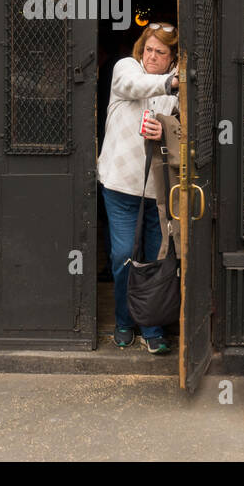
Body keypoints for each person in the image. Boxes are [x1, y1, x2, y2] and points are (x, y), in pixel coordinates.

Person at [97, 22, 179, 354]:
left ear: (171, 56)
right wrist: (170, 82)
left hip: (158, 191)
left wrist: (168, 131)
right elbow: (135, 85)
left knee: (156, 259)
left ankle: (152, 325)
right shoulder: (125, 68)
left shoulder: (174, 91)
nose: (152, 56)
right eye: (149, 49)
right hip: (120, 184)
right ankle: (124, 320)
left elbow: (184, 135)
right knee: (123, 257)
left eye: (161, 52)